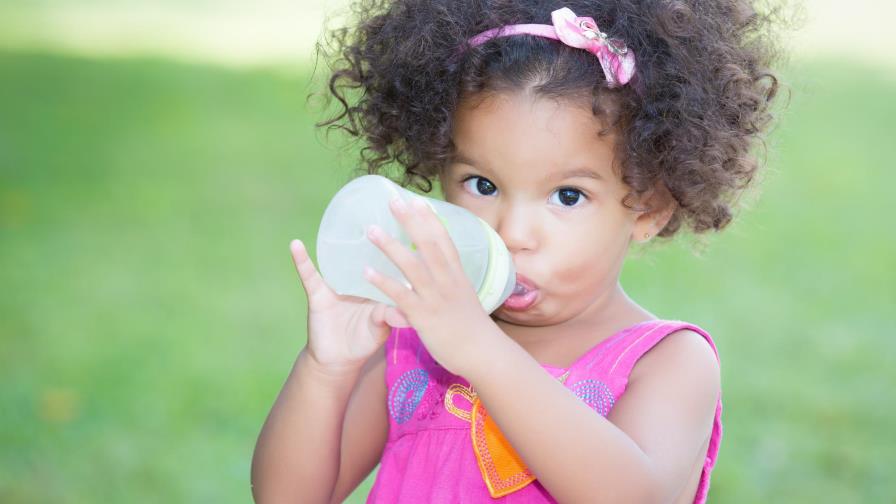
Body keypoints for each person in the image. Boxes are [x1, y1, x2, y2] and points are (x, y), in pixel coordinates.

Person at [252, 1, 783, 502]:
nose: (511, 231)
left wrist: (482, 352)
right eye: (482, 185)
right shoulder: (414, 343)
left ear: (648, 209)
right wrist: (326, 369)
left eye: (567, 196)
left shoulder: (666, 362)